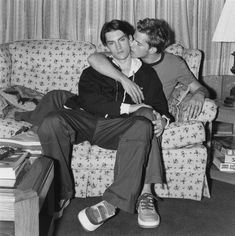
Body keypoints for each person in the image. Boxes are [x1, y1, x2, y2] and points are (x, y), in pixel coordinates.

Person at [8, 19, 172, 231]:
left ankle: (112, 203)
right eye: (112, 43)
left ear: (130, 40)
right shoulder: (94, 70)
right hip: (87, 121)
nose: (118, 47)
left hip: (118, 129)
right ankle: (61, 192)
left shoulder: (147, 74)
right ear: (106, 46)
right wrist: (130, 108)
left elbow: (160, 105)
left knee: (144, 123)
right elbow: (90, 102)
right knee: (51, 122)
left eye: (122, 40)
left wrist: (163, 119)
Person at [88, 18, 209, 120]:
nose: (131, 44)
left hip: (148, 115)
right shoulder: (126, 55)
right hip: (118, 112)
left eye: (138, 43)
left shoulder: (174, 64)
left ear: (152, 50)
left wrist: (199, 95)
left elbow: (200, 88)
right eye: (133, 39)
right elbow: (94, 58)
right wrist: (124, 80)